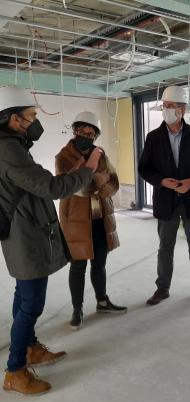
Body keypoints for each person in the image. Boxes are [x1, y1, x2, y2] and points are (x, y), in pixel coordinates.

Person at [0, 86, 101, 394]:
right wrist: (89, 168)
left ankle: (30, 348)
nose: (35, 121)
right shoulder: (8, 149)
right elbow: (51, 188)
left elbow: (35, 183)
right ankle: (15, 370)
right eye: (31, 115)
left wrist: (80, 172)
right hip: (24, 234)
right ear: (14, 119)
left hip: (26, 229)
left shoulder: (13, 145)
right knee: (31, 302)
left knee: (24, 295)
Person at [138, 85, 190, 305]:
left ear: (182, 109)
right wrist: (162, 181)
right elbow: (144, 168)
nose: (167, 110)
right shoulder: (153, 137)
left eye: (172, 106)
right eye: (165, 106)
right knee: (165, 247)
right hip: (166, 201)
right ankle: (162, 288)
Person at [56, 111, 126, 331]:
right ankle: (77, 309)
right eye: (82, 131)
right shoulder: (63, 157)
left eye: (91, 133)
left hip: (100, 218)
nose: (86, 136)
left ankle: (102, 301)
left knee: (99, 263)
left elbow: (113, 184)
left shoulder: (100, 155)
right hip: (76, 221)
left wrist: (95, 181)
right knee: (78, 266)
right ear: (74, 131)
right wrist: (99, 179)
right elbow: (78, 189)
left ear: (95, 136)